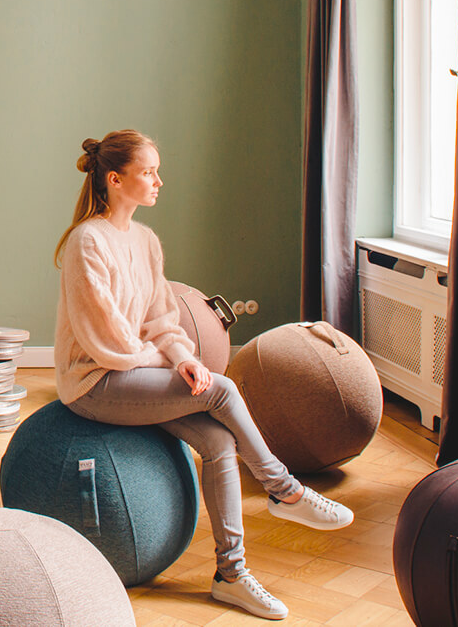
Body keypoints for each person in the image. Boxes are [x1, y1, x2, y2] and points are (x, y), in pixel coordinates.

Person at [53, 129, 354, 621]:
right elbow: (105, 339)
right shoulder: (88, 242)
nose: (158, 181)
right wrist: (168, 363)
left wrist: (181, 357)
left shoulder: (145, 242)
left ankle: (230, 576)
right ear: (115, 179)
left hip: (134, 373)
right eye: (148, 171)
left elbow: (159, 320)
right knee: (223, 390)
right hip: (95, 382)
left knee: (218, 444)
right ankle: (284, 488)